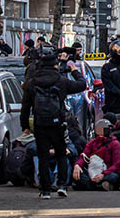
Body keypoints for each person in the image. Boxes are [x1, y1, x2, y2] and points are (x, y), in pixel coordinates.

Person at [20, 46, 87, 199]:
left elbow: (25, 106)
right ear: (56, 65)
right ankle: (62, 185)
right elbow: (82, 85)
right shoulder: (61, 81)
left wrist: (25, 126)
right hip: (58, 123)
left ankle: (45, 190)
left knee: (43, 155)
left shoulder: (32, 82)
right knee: (61, 153)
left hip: (40, 123)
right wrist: (74, 70)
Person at [73, 119, 120, 190]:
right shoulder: (93, 143)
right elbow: (84, 156)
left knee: (114, 177)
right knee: (78, 174)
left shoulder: (115, 144)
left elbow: (117, 164)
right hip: (92, 172)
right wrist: (77, 165)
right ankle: (99, 186)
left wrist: (103, 174)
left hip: (106, 172)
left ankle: (91, 185)